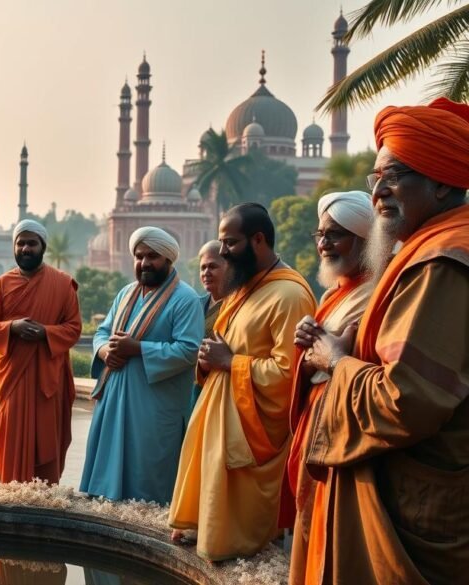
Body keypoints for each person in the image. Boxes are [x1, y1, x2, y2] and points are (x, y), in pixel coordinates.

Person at [294, 98, 469, 584]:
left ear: (439, 181)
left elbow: (404, 401)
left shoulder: (441, 261)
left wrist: (337, 359)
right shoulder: (428, 249)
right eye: (375, 180)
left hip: (414, 512)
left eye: (394, 176)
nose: (379, 191)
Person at [168, 203, 316, 561]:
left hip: (251, 431)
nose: (222, 251)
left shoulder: (290, 295)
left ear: (259, 240)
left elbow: (289, 375)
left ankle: (237, 549)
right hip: (220, 411)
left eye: (230, 243)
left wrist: (230, 362)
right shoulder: (245, 288)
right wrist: (209, 361)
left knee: (235, 538)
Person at [280, 191, 374, 578]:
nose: (324, 244)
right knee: (308, 522)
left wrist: (328, 354)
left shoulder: (378, 292)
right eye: (320, 234)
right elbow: (316, 360)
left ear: (367, 239)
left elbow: (366, 363)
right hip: (316, 418)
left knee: (330, 528)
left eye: (336, 234)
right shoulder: (336, 292)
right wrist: (307, 345)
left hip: (344, 427)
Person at [79, 227, 203, 504]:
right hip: (114, 399)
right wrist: (104, 351)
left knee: (149, 477)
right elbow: (102, 331)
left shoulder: (185, 299)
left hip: (155, 406)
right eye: (139, 256)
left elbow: (189, 350)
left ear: (169, 260)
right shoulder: (126, 293)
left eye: (153, 256)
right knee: (106, 476)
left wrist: (137, 349)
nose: (145, 263)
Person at [0, 219, 82, 483]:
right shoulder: (2, 285)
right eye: (21, 243)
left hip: (48, 379)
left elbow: (73, 329)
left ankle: (45, 500)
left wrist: (46, 333)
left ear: (43, 247)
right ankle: (13, 493)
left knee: (47, 437)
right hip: (14, 377)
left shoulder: (62, 284)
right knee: (12, 434)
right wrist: (12, 327)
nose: (26, 248)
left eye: (32, 243)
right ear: (14, 247)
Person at [191, 240, 230, 409]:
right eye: (203, 267)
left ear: (229, 267)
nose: (206, 272)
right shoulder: (195, 305)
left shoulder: (236, 307)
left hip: (222, 392)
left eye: (213, 267)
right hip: (192, 388)